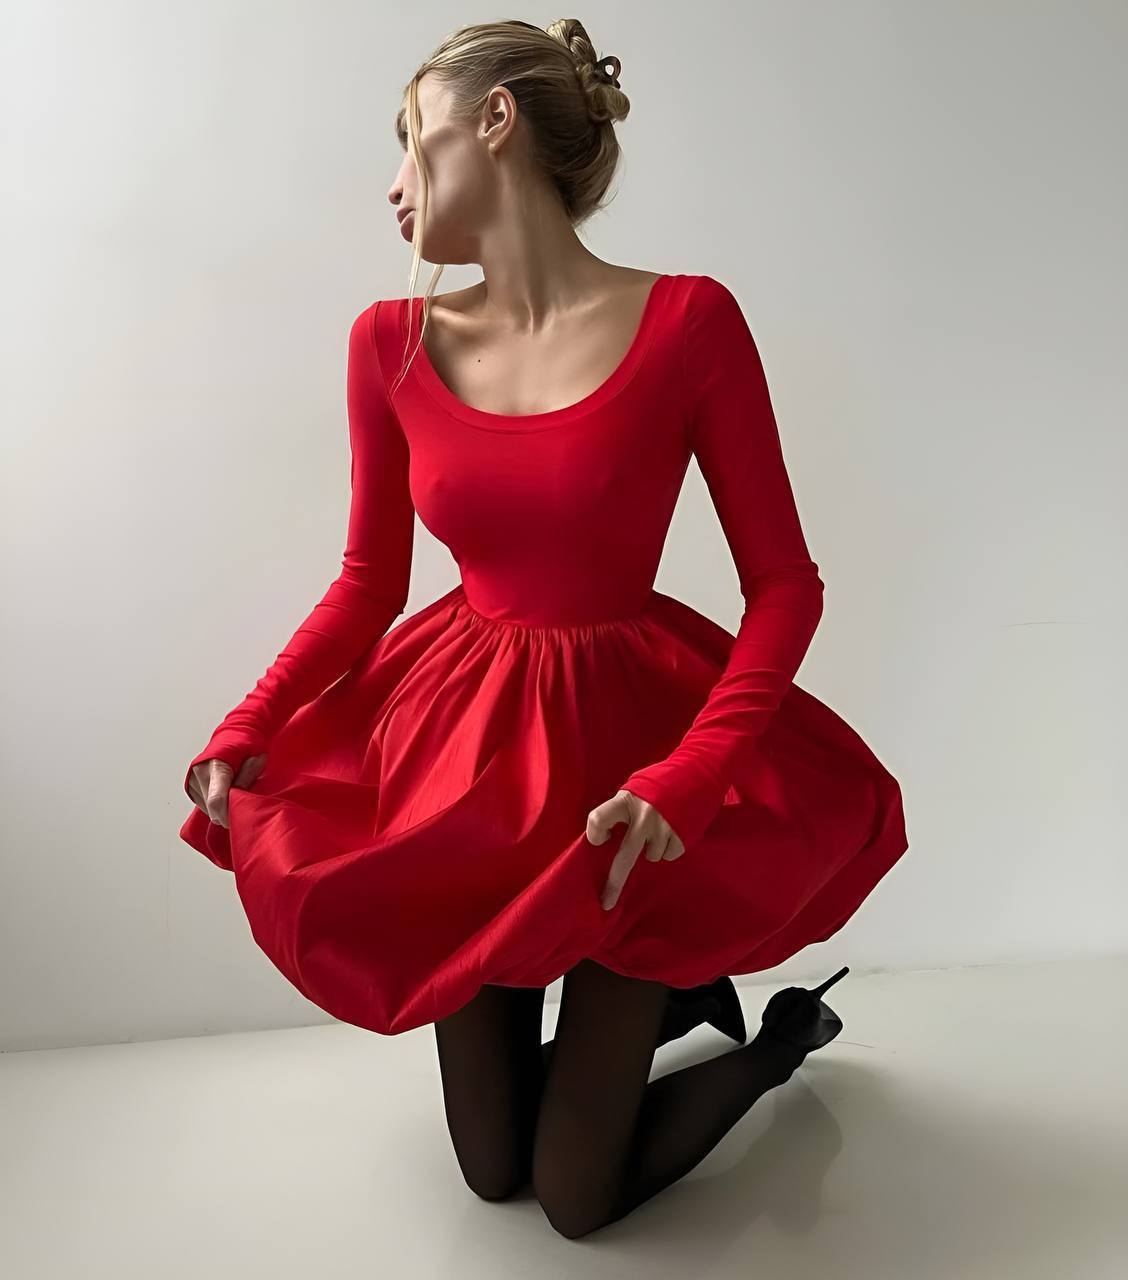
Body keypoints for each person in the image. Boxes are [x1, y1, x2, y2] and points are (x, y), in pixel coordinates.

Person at [180, 18, 908, 1239]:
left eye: (412, 141)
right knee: (490, 1165)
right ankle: (664, 1012)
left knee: (574, 1196)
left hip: (628, 769)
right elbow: (368, 578)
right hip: (463, 765)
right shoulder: (389, 342)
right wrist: (253, 720)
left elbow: (785, 583)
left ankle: (774, 1044)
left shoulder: (689, 324)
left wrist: (689, 779)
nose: (395, 183)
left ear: (494, 126)